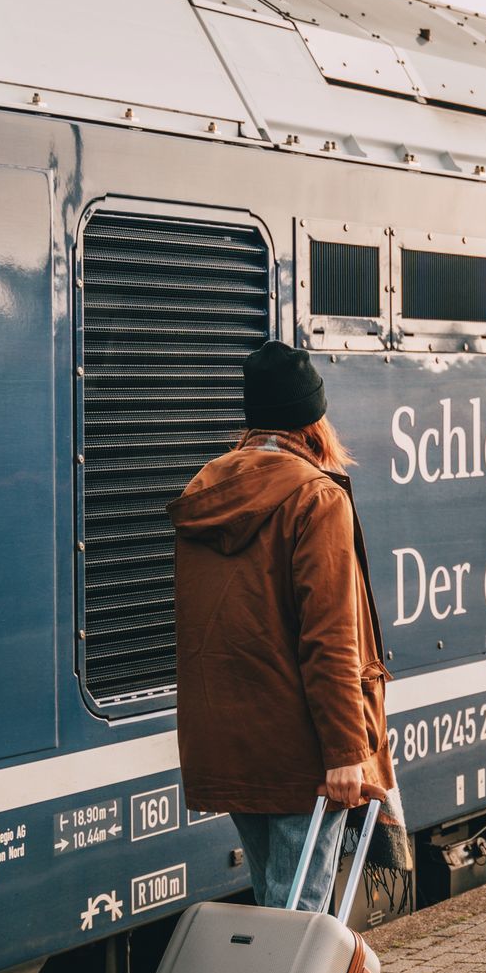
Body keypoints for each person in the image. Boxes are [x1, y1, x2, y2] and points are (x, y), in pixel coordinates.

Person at [167, 340, 395, 911]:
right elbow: (330, 638)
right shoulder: (316, 498)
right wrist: (346, 751)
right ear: (313, 419)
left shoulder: (206, 492)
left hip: (232, 740)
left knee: (277, 903)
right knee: (298, 918)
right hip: (301, 749)